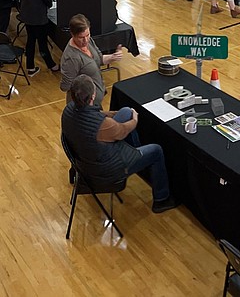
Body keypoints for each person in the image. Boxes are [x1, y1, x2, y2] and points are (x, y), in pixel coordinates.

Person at [61, 76, 176, 214]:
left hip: (84, 161)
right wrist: (135, 118)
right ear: (93, 96)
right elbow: (123, 131)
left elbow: (97, 115)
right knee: (156, 150)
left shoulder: (68, 110)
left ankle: (138, 156)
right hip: (106, 170)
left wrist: (116, 114)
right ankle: (162, 199)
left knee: (125, 111)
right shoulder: (102, 126)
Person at [59, 14, 125, 106]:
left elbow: (98, 60)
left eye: (88, 35)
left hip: (95, 102)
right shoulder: (72, 58)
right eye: (81, 37)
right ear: (72, 34)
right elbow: (65, 86)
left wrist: (113, 57)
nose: (85, 40)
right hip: (83, 107)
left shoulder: (89, 42)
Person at [18, 0, 59, 76]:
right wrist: (49, 4)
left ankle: (30, 66)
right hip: (38, 16)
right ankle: (51, 65)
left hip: (27, 14)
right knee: (42, 42)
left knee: (31, 40)